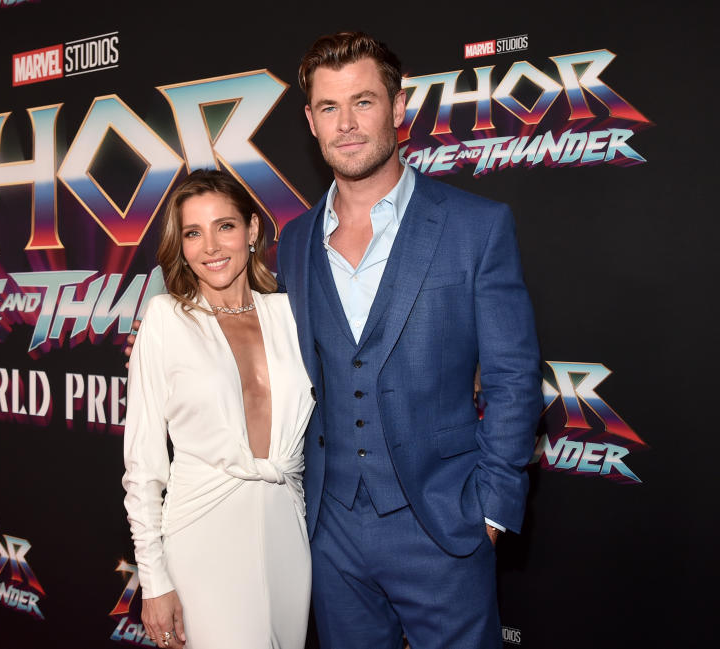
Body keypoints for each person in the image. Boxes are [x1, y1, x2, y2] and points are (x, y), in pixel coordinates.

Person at [273, 32, 542, 649]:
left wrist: (491, 514)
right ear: (310, 120)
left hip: (444, 524)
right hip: (330, 531)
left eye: (363, 102)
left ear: (398, 109)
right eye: (329, 107)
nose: (346, 124)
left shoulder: (476, 226)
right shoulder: (293, 241)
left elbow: (513, 377)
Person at [122, 170, 314, 649]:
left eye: (224, 226)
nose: (210, 246)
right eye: (193, 233)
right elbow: (143, 465)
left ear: (251, 230)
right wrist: (154, 579)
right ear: (181, 246)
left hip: (288, 530)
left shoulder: (291, 315)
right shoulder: (167, 319)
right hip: (202, 534)